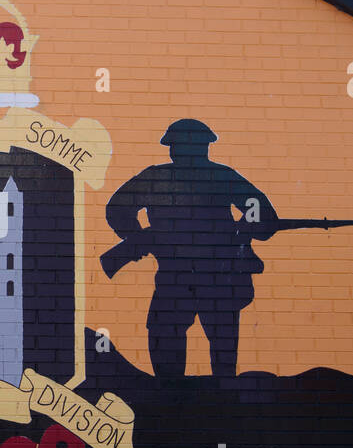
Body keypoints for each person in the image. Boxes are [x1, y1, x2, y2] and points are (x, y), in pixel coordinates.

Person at [105, 119, 277, 379]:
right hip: (201, 276)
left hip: (203, 275)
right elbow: (117, 210)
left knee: (203, 340)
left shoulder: (161, 177)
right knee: (187, 337)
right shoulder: (219, 176)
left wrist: (140, 237)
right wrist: (142, 240)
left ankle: (197, 395)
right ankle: (188, 395)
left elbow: (266, 218)